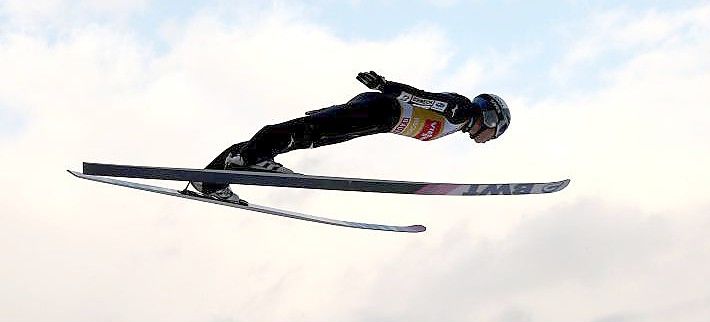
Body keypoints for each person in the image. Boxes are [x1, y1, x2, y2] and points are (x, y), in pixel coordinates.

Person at [191, 71, 511, 202]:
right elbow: (423, 98)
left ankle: (211, 180)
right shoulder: (462, 111)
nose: (490, 140)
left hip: (378, 118)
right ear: (490, 119)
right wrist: (385, 84)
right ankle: (251, 159)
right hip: (380, 111)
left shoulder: (459, 122)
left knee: (307, 136)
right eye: (495, 133)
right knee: (303, 135)